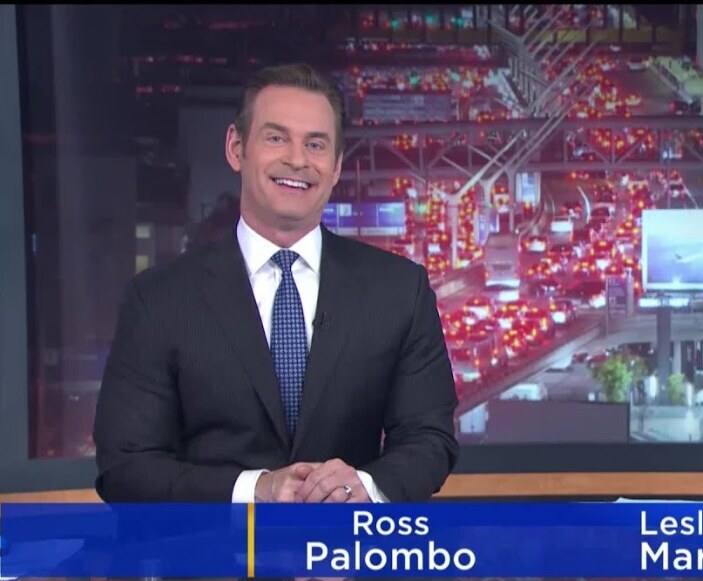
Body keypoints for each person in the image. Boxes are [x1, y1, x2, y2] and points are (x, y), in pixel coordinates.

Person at [94, 63, 459, 503]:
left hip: (347, 543)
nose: (298, 160)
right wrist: (256, 489)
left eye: (316, 144)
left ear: (337, 165)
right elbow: (126, 467)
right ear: (236, 148)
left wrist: (365, 487)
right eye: (276, 138)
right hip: (214, 546)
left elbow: (429, 439)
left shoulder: (400, 290)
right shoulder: (158, 299)